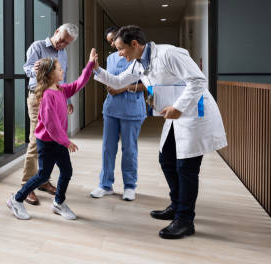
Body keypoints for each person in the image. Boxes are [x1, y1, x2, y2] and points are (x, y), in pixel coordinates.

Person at [92, 25, 227, 239]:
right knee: (166, 160)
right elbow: (118, 82)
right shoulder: (138, 63)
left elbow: (198, 80)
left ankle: (185, 219)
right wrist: (96, 69)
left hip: (194, 115)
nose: (119, 53)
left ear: (134, 44)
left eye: (120, 49)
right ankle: (176, 204)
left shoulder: (169, 53)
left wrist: (179, 107)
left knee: (186, 169)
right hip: (175, 117)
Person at [7, 49, 98, 220]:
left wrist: (90, 65)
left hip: (58, 142)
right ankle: (16, 199)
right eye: (59, 69)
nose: (62, 70)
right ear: (50, 74)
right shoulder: (48, 96)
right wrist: (66, 141)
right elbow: (51, 125)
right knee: (43, 175)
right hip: (47, 142)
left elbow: (79, 83)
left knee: (66, 171)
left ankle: (58, 203)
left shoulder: (61, 90)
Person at [22, 24, 78, 205]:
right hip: (38, 98)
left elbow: (64, 77)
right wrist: (35, 69)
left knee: (52, 142)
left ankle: (43, 180)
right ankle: (27, 185)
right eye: (61, 40)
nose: (62, 45)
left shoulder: (63, 53)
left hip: (55, 98)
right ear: (56, 32)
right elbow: (27, 68)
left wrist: (67, 101)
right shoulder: (37, 47)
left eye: (66, 44)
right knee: (35, 141)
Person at [90, 27, 146, 201]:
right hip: (112, 109)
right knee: (108, 148)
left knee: (129, 149)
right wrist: (98, 70)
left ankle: (129, 186)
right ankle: (105, 184)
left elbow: (147, 84)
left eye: (115, 40)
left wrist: (124, 88)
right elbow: (110, 78)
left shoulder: (138, 57)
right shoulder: (111, 58)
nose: (114, 45)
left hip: (132, 108)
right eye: (110, 42)